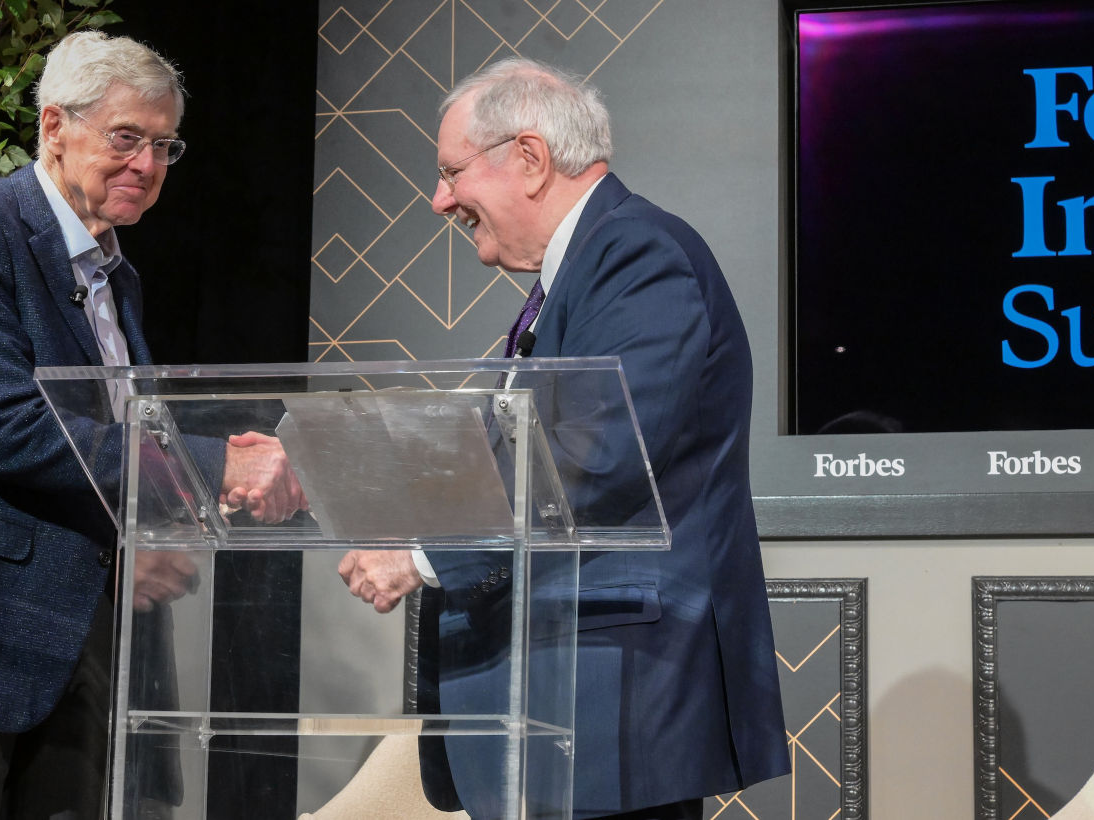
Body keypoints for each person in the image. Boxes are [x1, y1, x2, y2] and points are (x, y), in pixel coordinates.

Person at [0, 30, 304, 820]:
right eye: (126, 139)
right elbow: (9, 426)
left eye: (164, 146)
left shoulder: (117, 275)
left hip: (87, 630)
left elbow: (121, 441)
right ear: (54, 127)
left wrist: (169, 518)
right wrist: (211, 467)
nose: (147, 165)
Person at [337, 57, 789, 820]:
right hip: (564, 698)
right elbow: (508, 452)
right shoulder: (577, 272)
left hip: (612, 695)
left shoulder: (636, 254)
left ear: (531, 158)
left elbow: (595, 455)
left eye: (452, 172)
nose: (440, 198)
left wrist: (420, 556)